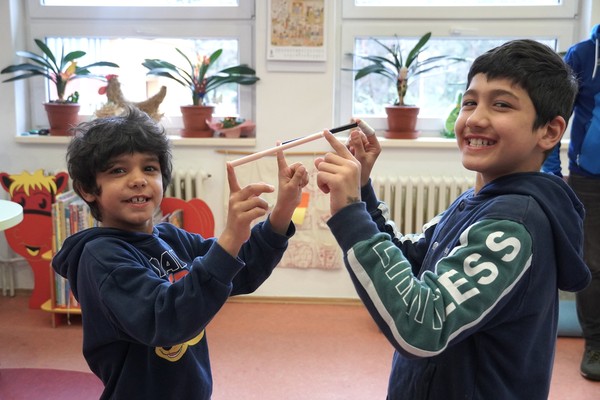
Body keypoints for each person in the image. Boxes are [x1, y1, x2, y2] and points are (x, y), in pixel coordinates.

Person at [315, 40, 591, 399]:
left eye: (502, 104)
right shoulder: (477, 202)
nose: (475, 119)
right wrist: (362, 190)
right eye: (470, 102)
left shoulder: (512, 227)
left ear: (549, 131)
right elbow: (411, 259)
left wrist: (351, 212)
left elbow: (422, 327)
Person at [51, 106, 308, 400]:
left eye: (149, 168)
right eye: (118, 170)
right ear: (87, 189)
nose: (138, 179)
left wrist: (283, 210)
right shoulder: (101, 258)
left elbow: (242, 269)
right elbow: (166, 320)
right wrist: (230, 236)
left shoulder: (171, 238)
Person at [542, 24, 600, 381]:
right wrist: (551, 171)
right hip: (589, 178)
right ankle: (595, 343)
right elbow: (555, 115)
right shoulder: (583, 55)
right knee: (592, 263)